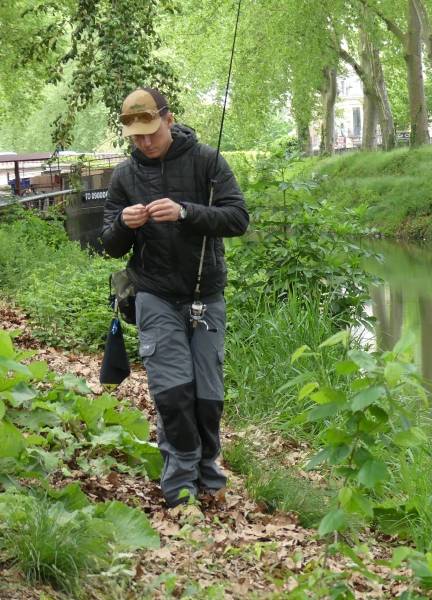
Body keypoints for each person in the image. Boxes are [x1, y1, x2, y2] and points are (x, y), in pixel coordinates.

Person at [102, 88, 248, 507]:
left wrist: (187, 212)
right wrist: (124, 226)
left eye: (150, 132)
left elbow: (238, 218)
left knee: (207, 395)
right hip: (154, 294)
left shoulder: (207, 160)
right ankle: (179, 486)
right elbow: (109, 246)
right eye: (136, 137)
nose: (145, 143)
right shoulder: (124, 177)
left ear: (168, 118)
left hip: (207, 296)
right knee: (172, 392)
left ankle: (208, 476)